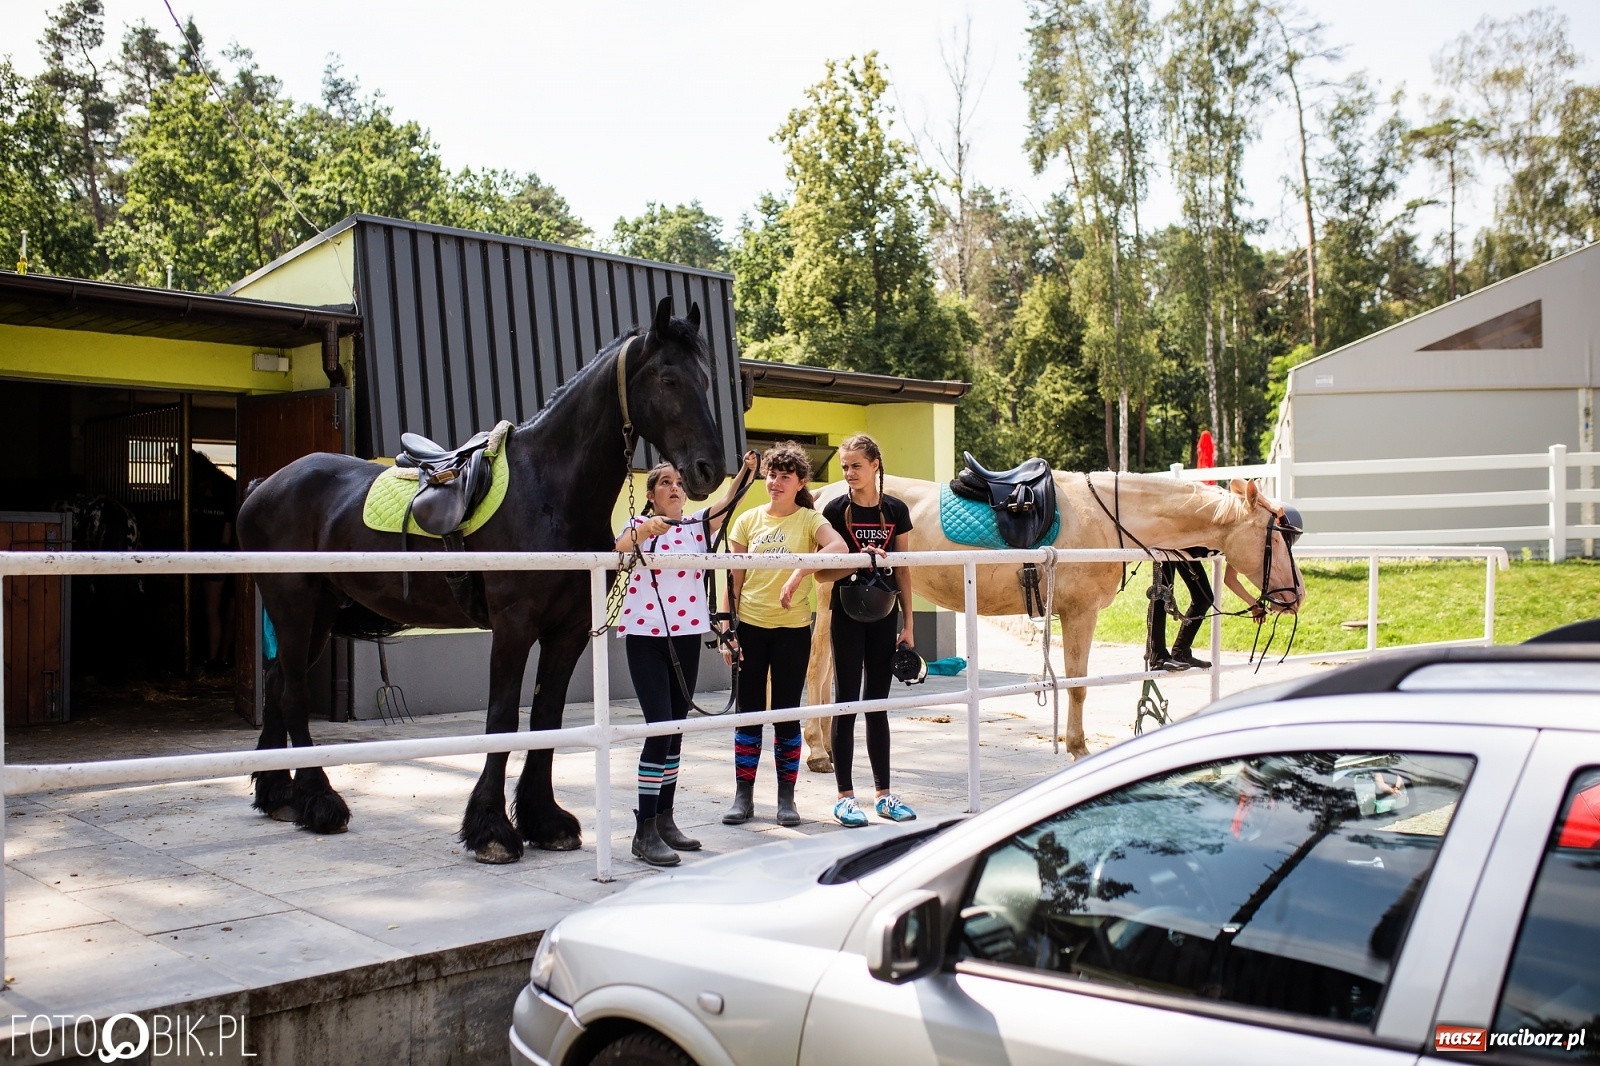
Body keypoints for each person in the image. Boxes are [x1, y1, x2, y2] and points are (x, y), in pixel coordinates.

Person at [615, 452, 758, 866]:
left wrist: (745, 472)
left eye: (678, 482)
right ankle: (643, 830)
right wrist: (647, 531)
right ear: (651, 495)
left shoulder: (696, 526)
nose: (675, 487)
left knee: (676, 730)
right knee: (659, 728)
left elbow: (726, 505)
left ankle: (665, 819)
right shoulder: (639, 524)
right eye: (665, 483)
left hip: (686, 638)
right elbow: (620, 547)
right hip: (646, 638)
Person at [721, 442, 847, 828]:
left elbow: (838, 546)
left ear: (800, 482)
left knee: (787, 716)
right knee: (749, 715)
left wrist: (800, 571)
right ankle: (743, 797)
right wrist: (727, 629)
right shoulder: (747, 520)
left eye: (784, 477)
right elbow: (732, 579)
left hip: (792, 631)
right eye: (771, 475)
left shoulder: (810, 521)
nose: (775, 482)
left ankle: (786, 799)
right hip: (750, 629)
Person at [806, 434, 918, 827]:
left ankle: (884, 795)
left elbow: (903, 568)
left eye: (856, 466)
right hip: (847, 612)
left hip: (885, 614)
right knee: (847, 702)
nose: (849, 474)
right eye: (845, 467)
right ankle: (844, 797)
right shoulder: (835, 510)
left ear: (875, 465)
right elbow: (822, 572)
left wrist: (909, 624)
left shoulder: (896, 510)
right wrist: (859, 561)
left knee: (877, 705)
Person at [1146, 548, 1214, 672]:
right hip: (1167, 541)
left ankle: (1181, 652)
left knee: (1204, 598)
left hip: (1184, 542)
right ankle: (1158, 655)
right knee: (1162, 594)